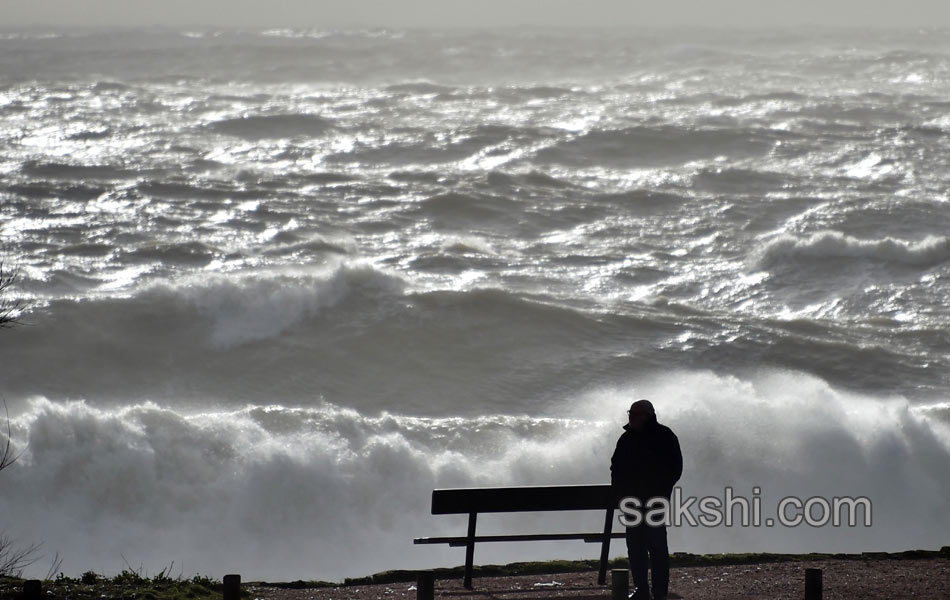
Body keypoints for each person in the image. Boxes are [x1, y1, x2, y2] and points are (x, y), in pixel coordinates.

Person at [610, 399, 682, 600]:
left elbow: (674, 469)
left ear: (648, 416)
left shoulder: (664, 436)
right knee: (635, 547)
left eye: (635, 413)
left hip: (653, 503)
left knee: (656, 548)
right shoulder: (626, 439)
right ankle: (642, 589)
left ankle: (659, 593)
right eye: (630, 413)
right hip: (632, 503)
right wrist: (622, 494)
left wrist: (659, 492)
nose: (631, 417)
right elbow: (615, 467)